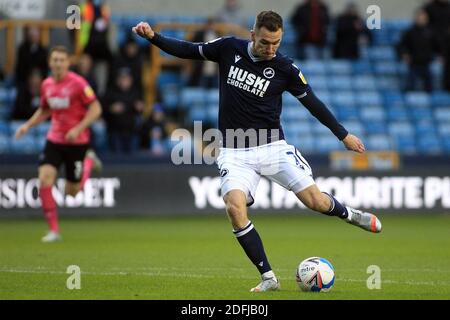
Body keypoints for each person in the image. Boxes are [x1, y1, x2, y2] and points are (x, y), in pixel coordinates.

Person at [132, 10, 382, 293]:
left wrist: (343, 135)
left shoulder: (285, 69)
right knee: (234, 208)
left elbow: (312, 103)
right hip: (234, 151)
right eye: (265, 42)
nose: (270, 49)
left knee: (315, 202)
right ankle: (268, 278)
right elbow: (189, 50)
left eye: (276, 43)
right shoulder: (229, 48)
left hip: (272, 147)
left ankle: (351, 214)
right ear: (252, 34)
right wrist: (153, 37)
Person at [14, 46, 103, 243]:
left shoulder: (79, 84)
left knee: (72, 193)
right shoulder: (46, 85)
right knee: (44, 179)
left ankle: (88, 161)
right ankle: (53, 231)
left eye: (62, 60)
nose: (58, 63)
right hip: (54, 139)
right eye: (55, 60)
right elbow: (45, 110)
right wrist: (27, 126)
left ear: (68, 62)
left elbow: (96, 109)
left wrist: (79, 129)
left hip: (77, 142)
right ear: (50, 62)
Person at [398, 9, 436, 92]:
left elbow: (437, 46)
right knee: (410, 86)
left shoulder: (431, 32)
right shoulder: (410, 32)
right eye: (420, 17)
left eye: (423, 17)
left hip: (426, 63)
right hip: (414, 63)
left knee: (429, 87)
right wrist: (404, 54)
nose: (421, 19)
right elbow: (402, 45)